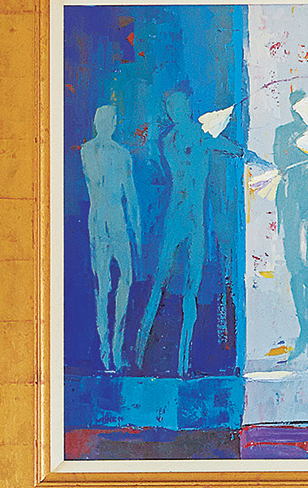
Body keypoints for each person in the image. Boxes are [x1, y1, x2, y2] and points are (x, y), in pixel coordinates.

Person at [134, 91, 233, 376]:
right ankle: (171, 360)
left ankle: (176, 361)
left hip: (185, 217)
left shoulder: (171, 140)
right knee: (176, 286)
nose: (183, 110)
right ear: (174, 110)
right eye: (178, 107)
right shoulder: (193, 137)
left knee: (181, 286)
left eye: (183, 105)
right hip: (186, 218)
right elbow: (220, 145)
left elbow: (218, 147)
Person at [79, 104, 140, 374]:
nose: (111, 123)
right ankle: (107, 348)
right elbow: (98, 180)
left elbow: (132, 196)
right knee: (104, 283)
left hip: (114, 218)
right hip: (103, 218)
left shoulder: (122, 154)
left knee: (122, 279)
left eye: (113, 119)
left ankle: (115, 346)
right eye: (109, 118)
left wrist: (136, 229)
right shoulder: (91, 151)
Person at [272, 95, 308, 363]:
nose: (298, 112)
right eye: (295, 107)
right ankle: (304, 333)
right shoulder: (283, 133)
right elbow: (280, 163)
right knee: (296, 268)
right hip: (291, 202)